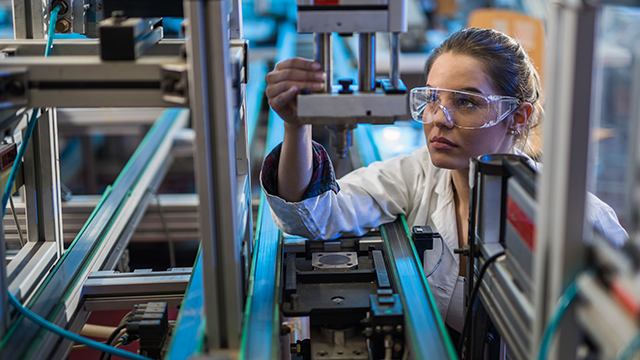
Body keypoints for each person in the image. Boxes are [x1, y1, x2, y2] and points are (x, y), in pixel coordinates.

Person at [260, 27, 627, 335]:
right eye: (432, 99)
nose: (439, 118)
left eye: (466, 102)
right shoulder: (417, 174)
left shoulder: (583, 222)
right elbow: (312, 216)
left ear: (517, 117)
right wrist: (297, 125)